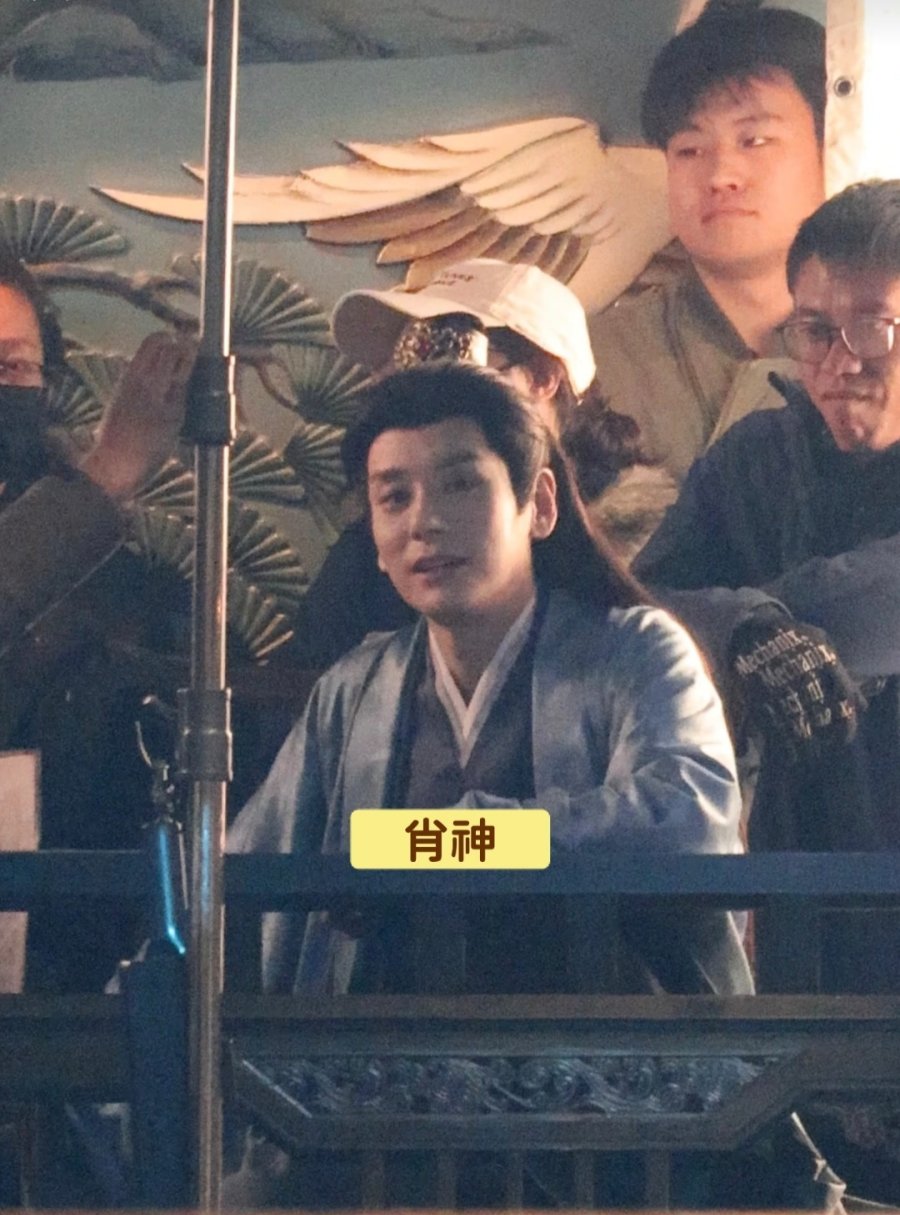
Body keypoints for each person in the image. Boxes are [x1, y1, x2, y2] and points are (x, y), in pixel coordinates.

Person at [231, 361, 752, 1000]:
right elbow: (251, 871)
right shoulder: (352, 690)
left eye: (460, 485)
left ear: (540, 505)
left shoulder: (637, 652)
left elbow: (687, 824)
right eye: (394, 497)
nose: (424, 521)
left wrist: (452, 838)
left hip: (602, 1049)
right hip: (389, 1049)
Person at [635, 178, 900, 998]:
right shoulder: (751, 460)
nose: (841, 363)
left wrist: (749, 614)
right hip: (790, 865)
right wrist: (744, 627)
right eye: (815, 330)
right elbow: (641, 612)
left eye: (874, 329)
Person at [287, 258, 666, 668]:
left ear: (543, 376)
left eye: (453, 365)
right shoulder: (371, 554)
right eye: (403, 373)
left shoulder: (656, 547)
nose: (422, 401)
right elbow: (300, 685)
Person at [0, 253, 196, 994]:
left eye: (14, 366)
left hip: (71, 985)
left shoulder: (119, 583)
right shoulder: (79, 519)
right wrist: (110, 469)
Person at [590, 6, 826, 522]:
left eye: (754, 140)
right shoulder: (595, 364)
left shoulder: (878, 343)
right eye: (690, 150)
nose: (721, 175)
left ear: (830, 146)